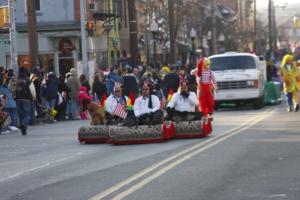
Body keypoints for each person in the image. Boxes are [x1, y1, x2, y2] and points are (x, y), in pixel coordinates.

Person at [14, 67, 36, 135]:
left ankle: (23, 130)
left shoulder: (16, 80)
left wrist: (14, 96)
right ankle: (24, 124)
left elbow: (12, 88)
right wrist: (34, 97)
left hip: (17, 99)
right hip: (26, 99)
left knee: (20, 115)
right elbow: (32, 90)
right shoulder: (28, 80)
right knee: (27, 114)